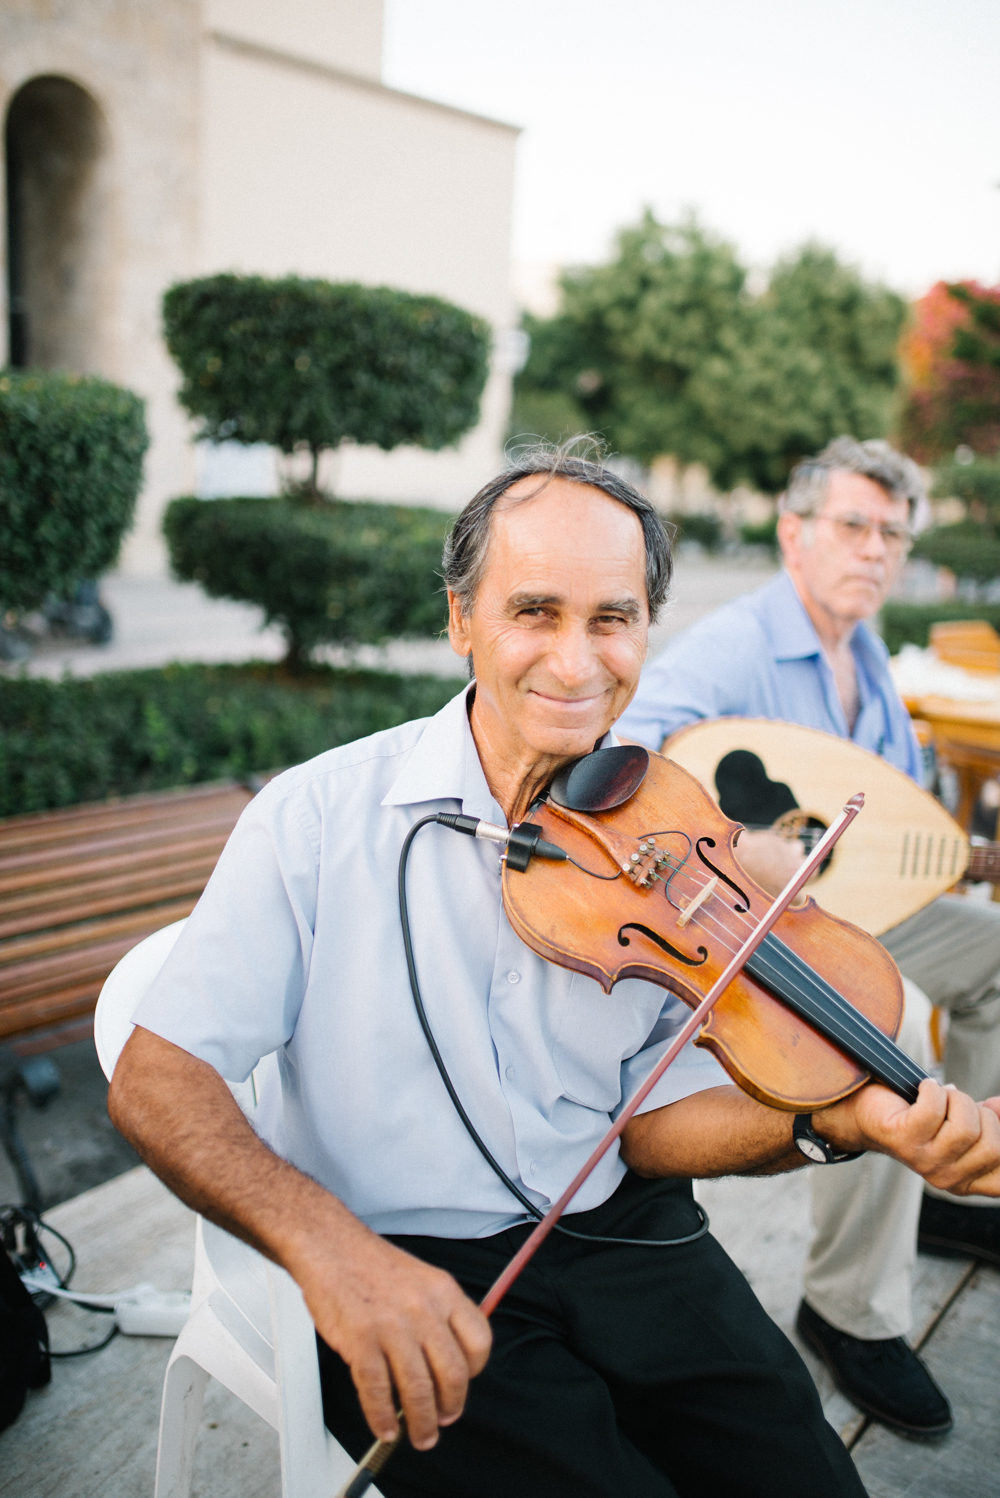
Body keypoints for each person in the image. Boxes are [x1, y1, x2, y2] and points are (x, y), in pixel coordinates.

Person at [109, 448, 1000, 1498]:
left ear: (645, 631)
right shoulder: (314, 819)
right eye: (535, 611)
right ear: (461, 620)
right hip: (402, 1260)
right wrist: (333, 1254)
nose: (577, 664)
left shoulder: (665, 831)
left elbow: (649, 1124)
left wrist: (840, 1121)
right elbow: (156, 1079)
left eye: (611, 619)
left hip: (626, 1233)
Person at [617, 435, 1000, 1440]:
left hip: (857, 913)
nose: (874, 550)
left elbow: (887, 821)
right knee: (898, 1020)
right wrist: (745, 850)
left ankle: (949, 1182)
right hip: (757, 942)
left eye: (891, 533)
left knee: (995, 952)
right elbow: (633, 761)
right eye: (852, 525)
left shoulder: (864, 650)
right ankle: (846, 1309)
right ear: (794, 533)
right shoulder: (737, 641)